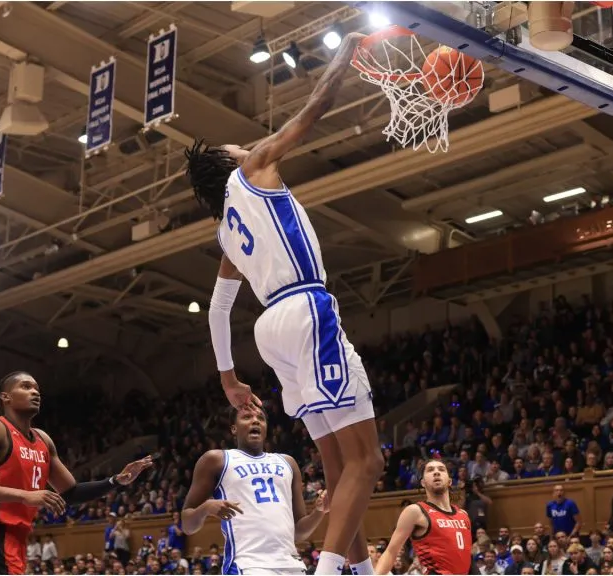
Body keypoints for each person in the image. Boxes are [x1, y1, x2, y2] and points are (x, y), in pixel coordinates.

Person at [185, 30, 382, 576]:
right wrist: (347, 53)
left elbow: (218, 309)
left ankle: (361, 573)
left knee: (341, 470)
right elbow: (313, 113)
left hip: (271, 330)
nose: (246, 145)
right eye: (236, 147)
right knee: (368, 461)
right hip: (305, 309)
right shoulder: (252, 172)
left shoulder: (227, 232)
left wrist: (228, 377)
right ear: (230, 165)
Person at [0, 371, 153, 575]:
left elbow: (70, 493)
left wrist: (116, 480)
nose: (35, 392)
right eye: (26, 386)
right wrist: (24, 495)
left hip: (17, 540)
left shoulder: (43, 440)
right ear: (5, 396)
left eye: (37, 389)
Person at [181, 405, 328, 575]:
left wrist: (319, 511)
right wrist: (206, 508)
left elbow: (299, 532)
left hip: (292, 564)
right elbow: (187, 524)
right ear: (234, 429)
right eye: (246, 417)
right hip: (247, 565)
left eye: (261, 418)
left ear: (266, 428)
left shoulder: (288, 463)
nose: (255, 421)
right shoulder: (216, 460)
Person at [375, 460, 473, 575]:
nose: (436, 473)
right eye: (430, 470)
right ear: (423, 483)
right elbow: (391, 552)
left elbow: (466, 556)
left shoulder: (463, 515)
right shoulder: (415, 511)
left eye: (441, 469)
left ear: (450, 481)